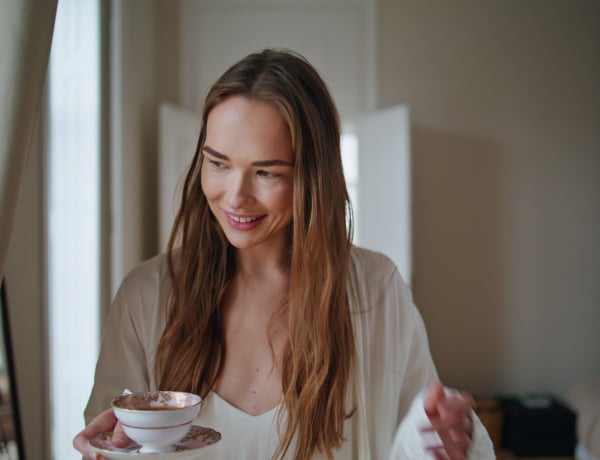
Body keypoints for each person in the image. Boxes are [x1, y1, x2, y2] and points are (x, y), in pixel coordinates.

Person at [73, 48, 494, 460]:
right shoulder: (146, 296)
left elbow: (421, 440)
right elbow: (110, 443)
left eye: (266, 172)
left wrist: (446, 440)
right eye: (218, 164)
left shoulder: (375, 291)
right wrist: (112, 450)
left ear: (313, 177)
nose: (235, 197)